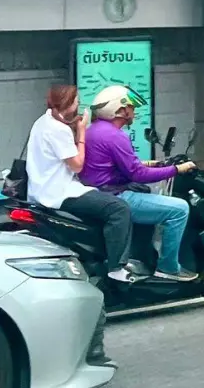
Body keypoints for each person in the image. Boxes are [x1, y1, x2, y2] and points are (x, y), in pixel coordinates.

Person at [79, 85, 199, 282]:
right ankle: (168, 267)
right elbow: (137, 174)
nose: (134, 111)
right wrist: (177, 169)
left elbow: (111, 165)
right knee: (180, 209)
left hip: (99, 193)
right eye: (131, 107)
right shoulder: (115, 135)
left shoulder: (94, 131)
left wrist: (150, 164)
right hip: (116, 196)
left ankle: (143, 257)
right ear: (120, 109)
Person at [25, 85, 136, 283]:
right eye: (77, 100)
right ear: (69, 103)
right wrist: (82, 132)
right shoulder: (57, 130)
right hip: (60, 192)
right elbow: (77, 165)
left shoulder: (42, 122)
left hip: (42, 188)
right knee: (118, 209)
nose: (79, 104)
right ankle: (116, 267)